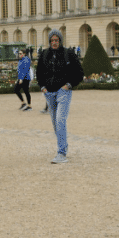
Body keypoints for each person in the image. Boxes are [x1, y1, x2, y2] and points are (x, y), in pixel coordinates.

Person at [36, 29, 84, 164]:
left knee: (60, 120)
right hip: (49, 93)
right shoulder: (44, 54)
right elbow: (39, 72)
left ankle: (61, 153)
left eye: (56, 40)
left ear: (60, 41)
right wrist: (42, 87)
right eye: (52, 40)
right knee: (55, 123)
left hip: (63, 91)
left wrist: (69, 85)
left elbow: (79, 72)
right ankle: (63, 145)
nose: (54, 43)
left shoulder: (68, 53)